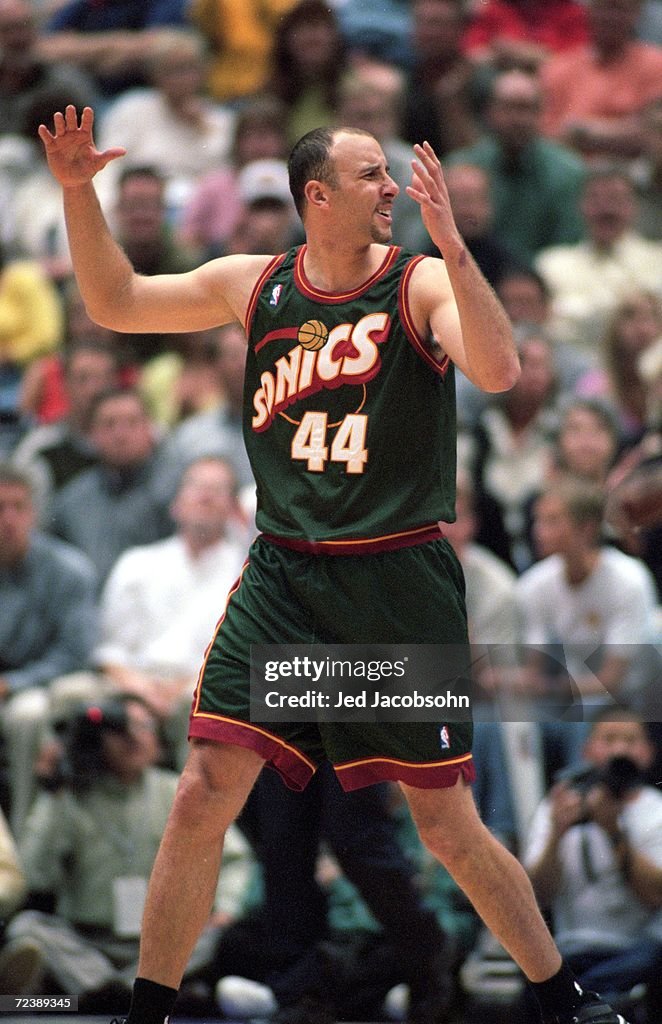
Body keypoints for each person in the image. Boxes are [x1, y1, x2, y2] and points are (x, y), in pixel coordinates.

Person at [38, 102, 631, 1024]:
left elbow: (503, 370)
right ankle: (149, 1012)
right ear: (317, 196)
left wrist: (458, 251)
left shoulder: (420, 281)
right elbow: (115, 302)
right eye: (372, 177)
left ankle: (564, 1000)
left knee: (444, 825)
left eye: (391, 176)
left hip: (397, 584)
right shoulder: (256, 283)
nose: (392, 188)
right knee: (202, 791)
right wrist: (79, 193)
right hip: (285, 578)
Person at [7, 694, 254, 1012]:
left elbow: (235, 858)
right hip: (89, 941)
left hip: (164, 942)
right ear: (97, 739)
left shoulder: (176, 791)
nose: (134, 739)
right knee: (27, 926)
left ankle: (107, 994)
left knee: (219, 935)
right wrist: (51, 795)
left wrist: (226, 906)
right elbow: (35, 874)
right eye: (120, 730)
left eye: (143, 727)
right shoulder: (71, 797)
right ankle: (129, 993)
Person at [523, 709, 662, 1022]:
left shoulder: (657, 811)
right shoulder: (559, 805)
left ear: (649, 752)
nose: (619, 750)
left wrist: (612, 831)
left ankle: (583, 997)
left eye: (630, 740)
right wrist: (557, 834)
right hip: (571, 951)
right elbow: (537, 895)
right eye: (609, 739)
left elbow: (656, 896)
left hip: (636, 951)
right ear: (587, 750)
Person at [0, 462, 98, 834]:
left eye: (18, 507)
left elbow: (76, 654)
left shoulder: (69, 571)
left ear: (35, 513)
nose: (8, 519)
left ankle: (25, 840)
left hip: (48, 686)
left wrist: (13, 684)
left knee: (27, 714)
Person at [445, 69, 587, 266]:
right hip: (473, 274)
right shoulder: (461, 167)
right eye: (509, 108)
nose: (518, 120)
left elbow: (569, 248)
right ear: (489, 112)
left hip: (544, 283)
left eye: (527, 109)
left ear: (541, 114)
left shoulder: (568, 172)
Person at [48, 387, 178, 588]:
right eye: (109, 424)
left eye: (131, 423)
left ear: (150, 429)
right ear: (91, 434)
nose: (120, 435)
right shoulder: (70, 502)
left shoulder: (176, 491)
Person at [540, 0, 662, 161]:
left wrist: (581, 133)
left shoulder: (654, 65)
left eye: (620, 10)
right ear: (588, 11)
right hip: (567, 168)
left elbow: (650, 134)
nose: (610, 17)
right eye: (603, 8)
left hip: (628, 171)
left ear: (636, 15)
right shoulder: (558, 68)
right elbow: (544, 135)